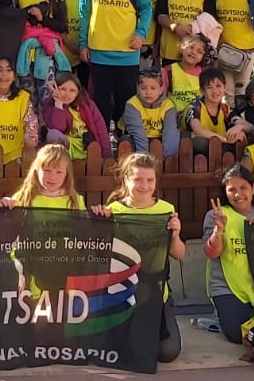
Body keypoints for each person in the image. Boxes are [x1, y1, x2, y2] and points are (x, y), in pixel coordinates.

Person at [94, 153, 184, 363]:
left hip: (156, 293)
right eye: (137, 179)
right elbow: (99, 255)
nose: (144, 185)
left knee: (168, 352)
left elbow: (179, 254)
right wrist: (98, 223)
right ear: (126, 179)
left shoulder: (166, 209)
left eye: (150, 180)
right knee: (119, 352)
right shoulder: (113, 211)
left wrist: (176, 234)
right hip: (122, 294)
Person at [80, 0, 154, 128]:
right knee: (101, 103)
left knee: (126, 103)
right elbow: (84, 14)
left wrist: (141, 33)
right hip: (99, 53)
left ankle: (125, 143)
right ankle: (103, 146)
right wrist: (82, 44)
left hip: (127, 53)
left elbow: (146, 8)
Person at [202, 165, 254, 344]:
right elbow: (212, 253)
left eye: (243, 188)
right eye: (232, 190)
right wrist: (218, 231)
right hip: (227, 287)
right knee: (237, 334)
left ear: (253, 188)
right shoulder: (216, 215)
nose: (238, 194)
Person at [16, 0, 72, 85]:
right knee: (27, 94)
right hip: (25, 55)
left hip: (48, 55)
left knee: (46, 95)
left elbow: (62, 26)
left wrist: (42, 19)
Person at [39, 72, 111, 161]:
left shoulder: (88, 105)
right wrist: (58, 105)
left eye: (72, 90)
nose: (67, 94)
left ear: (78, 93)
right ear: (55, 89)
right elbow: (58, 128)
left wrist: (106, 155)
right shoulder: (50, 106)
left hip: (86, 145)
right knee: (52, 134)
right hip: (66, 145)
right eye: (63, 89)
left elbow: (101, 129)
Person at [0, 144, 85, 209]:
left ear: (67, 174)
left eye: (59, 172)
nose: (52, 177)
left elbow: (86, 230)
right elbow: (6, 228)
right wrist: (2, 208)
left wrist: (97, 213)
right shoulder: (23, 197)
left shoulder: (76, 201)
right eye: (47, 170)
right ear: (36, 171)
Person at [124, 67, 181, 156]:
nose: (148, 92)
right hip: (137, 142)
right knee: (125, 143)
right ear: (138, 88)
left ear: (161, 89)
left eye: (153, 88)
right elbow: (137, 132)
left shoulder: (168, 106)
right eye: (143, 88)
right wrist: (144, 158)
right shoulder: (132, 105)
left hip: (160, 140)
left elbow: (171, 133)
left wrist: (169, 159)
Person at [189, 68, 234, 153]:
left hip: (221, 147)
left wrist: (239, 128)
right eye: (209, 87)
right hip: (197, 153)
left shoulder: (225, 108)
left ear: (225, 88)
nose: (215, 91)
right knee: (200, 142)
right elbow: (198, 131)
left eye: (218, 86)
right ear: (202, 91)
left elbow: (248, 126)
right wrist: (224, 139)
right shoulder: (195, 107)